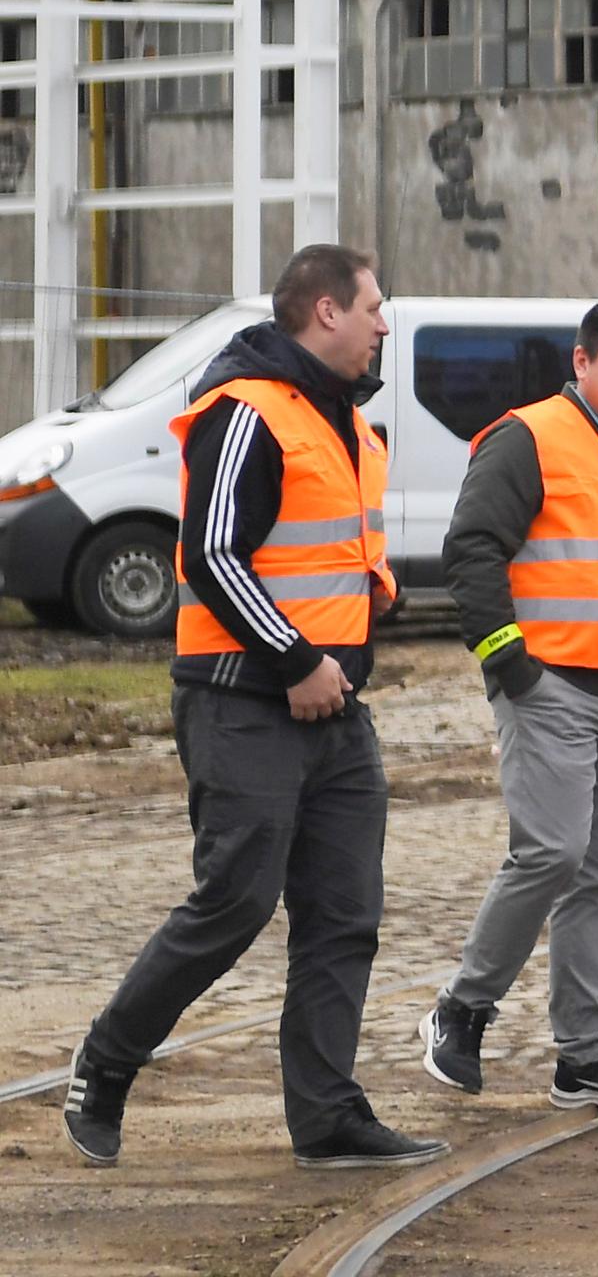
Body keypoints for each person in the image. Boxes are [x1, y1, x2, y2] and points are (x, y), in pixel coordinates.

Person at [62, 246, 444, 1172]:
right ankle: (105, 1062)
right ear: (324, 312)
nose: (384, 324)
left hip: (337, 708)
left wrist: (371, 590)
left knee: (344, 915)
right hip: (245, 703)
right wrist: (298, 656)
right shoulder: (247, 410)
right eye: (374, 308)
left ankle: (327, 1116)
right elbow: (212, 557)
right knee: (234, 901)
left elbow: (317, 545)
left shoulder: (345, 421)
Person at [420, 298, 598, 1111]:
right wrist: (509, 664)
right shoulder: (529, 437)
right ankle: (463, 1009)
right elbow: (471, 549)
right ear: (582, 363)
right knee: (551, 854)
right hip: (552, 688)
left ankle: (586, 1058)